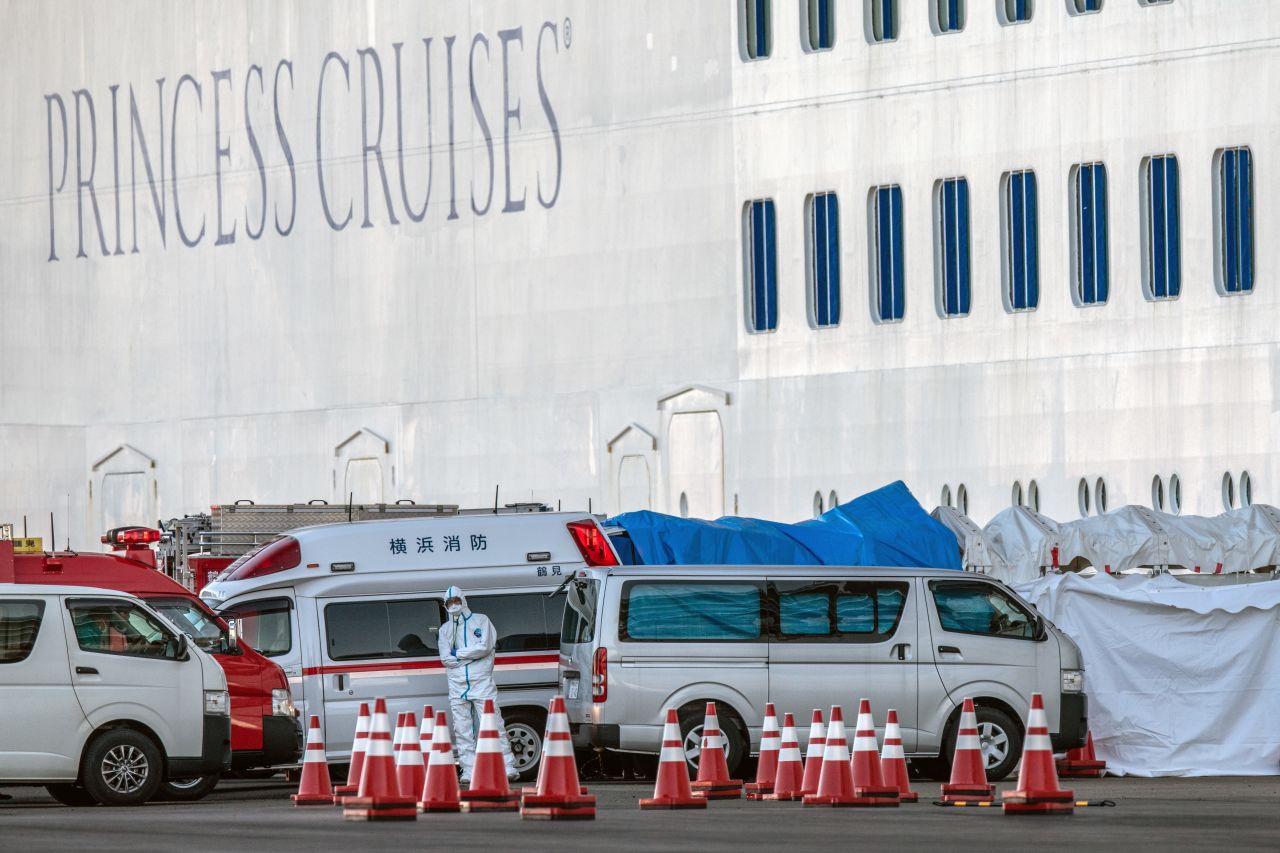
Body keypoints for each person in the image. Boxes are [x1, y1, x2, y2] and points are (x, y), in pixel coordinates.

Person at [437, 585, 517, 784]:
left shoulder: (481, 620)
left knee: (493, 723)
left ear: (463, 600)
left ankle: (507, 766)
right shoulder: (445, 629)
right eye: (449, 603)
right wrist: (471, 656)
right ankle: (469, 770)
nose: (453, 605)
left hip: (481, 682)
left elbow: (485, 647)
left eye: (456, 601)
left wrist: (460, 654)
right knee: (462, 729)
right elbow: (446, 658)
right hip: (456, 684)